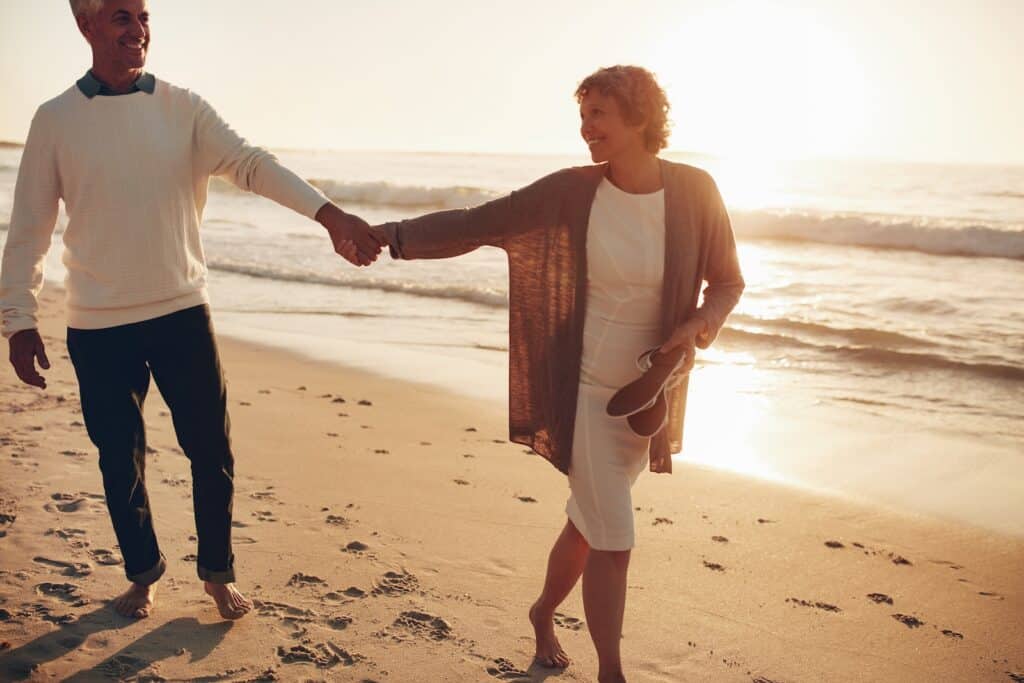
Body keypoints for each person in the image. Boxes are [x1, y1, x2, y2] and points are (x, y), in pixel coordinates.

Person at [0, 0, 382, 620]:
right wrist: (18, 318)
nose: (138, 29)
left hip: (181, 311)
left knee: (211, 449)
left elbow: (253, 165)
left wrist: (329, 216)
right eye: (122, 17)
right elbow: (30, 231)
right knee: (118, 456)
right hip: (97, 323)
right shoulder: (55, 121)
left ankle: (217, 572)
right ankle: (144, 574)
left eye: (144, 16)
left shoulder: (183, 107)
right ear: (87, 25)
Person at [371, 65, 744, 682]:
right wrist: (391, 235)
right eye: (584, 112)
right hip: (585, 391)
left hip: (646, 396)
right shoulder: (574, 191)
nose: (585, 125)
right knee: (614, 537)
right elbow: (478, 222)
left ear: (641, 118)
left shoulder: (696, 191)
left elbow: (728, 282)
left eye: (599, 113)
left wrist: (698, 326)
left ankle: (543, 612)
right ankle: (612, 673)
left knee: (588, 521)